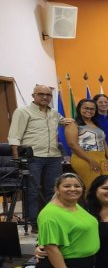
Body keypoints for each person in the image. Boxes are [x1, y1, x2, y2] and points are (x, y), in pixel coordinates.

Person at [8, 84, 69, 232]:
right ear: (33, 96)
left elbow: (67, 121)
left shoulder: (54, 113)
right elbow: (14, 136)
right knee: (32, 191)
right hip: (33, 158)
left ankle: (51, 220)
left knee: (53, 190)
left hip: (53, 157)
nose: (45, 97)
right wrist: (18, 160)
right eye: (41, 94)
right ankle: (34, 223)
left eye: (48, 95)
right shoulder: (23, 112)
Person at [35, 173, 99, 268]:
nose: (73, 189)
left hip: (84, 265)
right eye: (67, 186)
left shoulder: (74, 205)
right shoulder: (50, 214)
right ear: (57, 189)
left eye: (77, 186)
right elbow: (50, 248)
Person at [65, 98, 108, 188]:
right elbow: (72, 144)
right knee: (93, 186)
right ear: (79, 109)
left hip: (102, 157)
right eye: (86, 108)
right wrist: (90, 160)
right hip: (83, 157)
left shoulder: (96, 124)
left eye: (92, 109)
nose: (89, 111)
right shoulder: (73, 124)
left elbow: (103, 141)